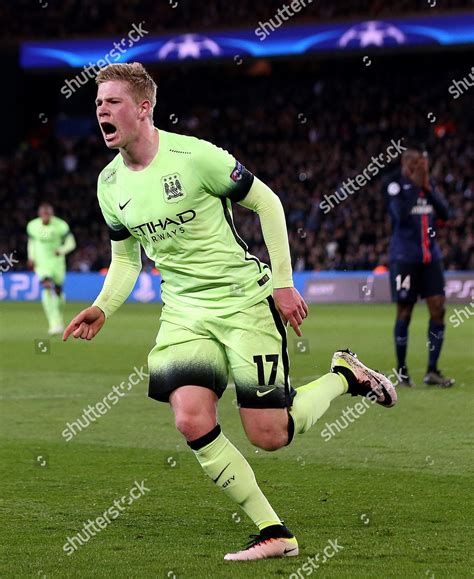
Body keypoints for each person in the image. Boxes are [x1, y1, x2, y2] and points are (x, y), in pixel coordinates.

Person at [63, 62, 397, 561]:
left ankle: (345, 376)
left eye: (112, 102)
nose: (101, 111)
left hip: (244, 302)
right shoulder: (109, 184)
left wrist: (284, 284)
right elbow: (125, 258)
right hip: (184, 314)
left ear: (143, 107)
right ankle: (274, 530)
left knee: (269, 435)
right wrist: (101, 306)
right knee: (190, 418)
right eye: (97, 103)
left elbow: (269, 204)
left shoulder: (195, 157)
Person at [384, 144, 454, 388]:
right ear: (406, 165)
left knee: (438, 309)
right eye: (415, 166)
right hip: (404, 258)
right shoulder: (394, 185)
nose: (419, 170)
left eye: (422, 167)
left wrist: (427, 190)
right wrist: (416, 187)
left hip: (430, 258)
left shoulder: (428, 187)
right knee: (405, 311)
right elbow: (399, 215)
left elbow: (446, 214)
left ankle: (432, 371)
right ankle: (402, 371)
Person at [27, 203, 76, 335]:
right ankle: (54, 323)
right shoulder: (32, 226)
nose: (46, 216)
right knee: (47, 286)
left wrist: (61, 250)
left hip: (57, 263)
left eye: (48, 213)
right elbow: (32, 242)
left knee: (58, 291)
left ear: (52, 214)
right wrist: (31, 257)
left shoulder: (61, 225)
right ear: (39, 214)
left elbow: (71, 243)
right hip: (41, 263)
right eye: (43, 213)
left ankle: (59, 318)